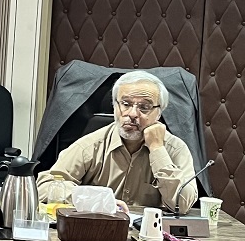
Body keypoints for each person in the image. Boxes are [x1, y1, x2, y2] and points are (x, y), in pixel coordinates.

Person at [36, 70, 197, 214]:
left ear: (159, 113)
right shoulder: (91, 145)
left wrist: (157, 149)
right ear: (114, 106)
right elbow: (44, 187)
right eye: (125, 104)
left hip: (150, 235)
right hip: (96, 231)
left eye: (144, 107)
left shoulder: (175, 149)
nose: (132, 114)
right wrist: (96, 200)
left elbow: (182, 205)